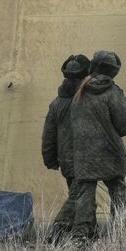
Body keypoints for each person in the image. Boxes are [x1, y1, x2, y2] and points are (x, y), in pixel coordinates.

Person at [70, 50, 126, 240]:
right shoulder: (113, 93)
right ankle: (121, 234)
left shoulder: (80, 91)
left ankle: (81, 236)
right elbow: (123, 126)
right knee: (118, 191)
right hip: (110, 153)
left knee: (84, 195)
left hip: (83, 155)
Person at [41, 54, 90, 240]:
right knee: (79, 196)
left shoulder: (56, 103)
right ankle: (57, 232)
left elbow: (48, 136)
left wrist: (50, 159)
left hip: (67, 161)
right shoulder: (87, 99)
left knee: (80, 197)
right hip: (84, 159)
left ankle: (84, 232)